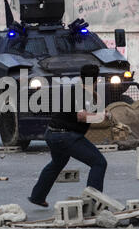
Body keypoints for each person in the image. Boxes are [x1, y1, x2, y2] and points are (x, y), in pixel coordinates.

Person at [28, 64, 109, 207]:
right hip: (65, 136)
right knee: (99, 162)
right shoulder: (84, 94)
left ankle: (37, 196)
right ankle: (92, 203)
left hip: (52, 133)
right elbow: (82, 116)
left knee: (58, 162)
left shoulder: (76, 90)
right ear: (96, 81)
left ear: (80, 78)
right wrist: (103, 116)